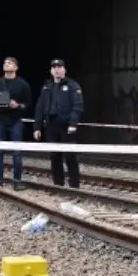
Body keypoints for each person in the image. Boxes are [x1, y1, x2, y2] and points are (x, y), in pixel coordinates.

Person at [33, 58, 85, 187]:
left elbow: (78, 106)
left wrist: (73, 124)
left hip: (67, 126)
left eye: (59, 67)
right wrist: (37, 127)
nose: (56, 70)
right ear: (51, 70)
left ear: (64, 70)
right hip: (51, 126)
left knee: (70, 157)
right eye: (54, 67)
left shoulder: (73, 85)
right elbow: (40, 107)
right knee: (55, 157)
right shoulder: (47, 86)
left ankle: (74, 185)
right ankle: (58, 185)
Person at [0, 56, 33, 189]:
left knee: (17, 152)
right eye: (5, 62)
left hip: (15, 121)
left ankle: (17, 181)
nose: (6, 64)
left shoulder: (23, 84)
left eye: (10, 63)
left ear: (16, 67)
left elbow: (28, 105)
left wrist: (17, 105)